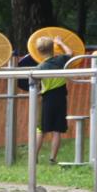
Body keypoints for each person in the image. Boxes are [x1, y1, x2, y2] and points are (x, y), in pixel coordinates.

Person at [33, 36, 73, 164]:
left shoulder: (40, 68)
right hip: (60, 98)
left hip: (47, 99)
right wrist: (61, 43)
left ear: (38, 51)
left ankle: (34, 157)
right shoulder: (61, 60)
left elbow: (36, 84)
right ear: (53, 48)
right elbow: (70, 53)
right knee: (57, 131)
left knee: (41, 129)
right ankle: (52, 158)